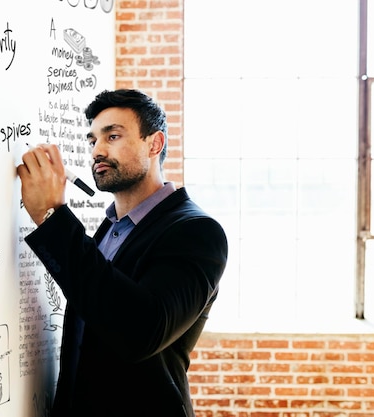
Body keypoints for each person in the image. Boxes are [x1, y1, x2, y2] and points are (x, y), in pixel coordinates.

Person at [17, 89, 228, 417]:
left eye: (112, 136)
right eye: (92, 141)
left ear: (154, 144)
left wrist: (53, 215)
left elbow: (142, 331)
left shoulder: (197, 231)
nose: (97, 151)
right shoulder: (109, 229)